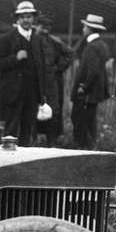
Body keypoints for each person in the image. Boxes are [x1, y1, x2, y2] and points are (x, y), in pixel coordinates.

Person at [0, 0, 48, 146]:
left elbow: (42, 68)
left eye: (29, 16)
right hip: (13, 93)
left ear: (33, 18)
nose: (26, 20)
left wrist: (42, 93)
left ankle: (23, 162)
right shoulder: (7, 39)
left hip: (31, 93)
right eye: (22, 17)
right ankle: (7, 161)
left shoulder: (38, 40)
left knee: (27, 130)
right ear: (17, 19)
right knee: (11, 130)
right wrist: (15, 58)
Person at [71, 14, 111, 150]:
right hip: (95, 91)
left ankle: (85, 147)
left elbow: (93, 71)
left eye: (85, 27)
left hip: (88, 91)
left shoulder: (92, 47)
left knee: (82, 119)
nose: (83, 29)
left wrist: (84, 87)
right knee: (89, 119)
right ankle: (89, 145)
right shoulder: (101, 44)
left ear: (90, 29)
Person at [34, 14, 75, 146]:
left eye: (47, 28)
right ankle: (32, 139)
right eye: (42, 27)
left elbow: (70, 53)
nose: (45, 30)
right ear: (36, 26)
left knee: (52, 110)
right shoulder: (30, 40)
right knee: (32, 109)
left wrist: (58, 67)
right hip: (33, 80)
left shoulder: (54, 41)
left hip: (51, 82)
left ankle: (51, 141)